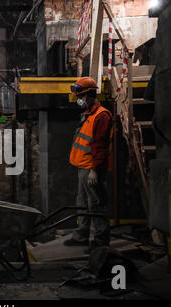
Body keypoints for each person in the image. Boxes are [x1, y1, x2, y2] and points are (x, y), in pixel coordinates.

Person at [63, 77, 113, 253]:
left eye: (81, 96)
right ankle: (81, 235)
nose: (79, 100)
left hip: (91, 169)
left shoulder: (101, 116)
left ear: (90, 95)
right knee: (82, 203)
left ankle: (101, 242)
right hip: (82, 167)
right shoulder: (89, 115)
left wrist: (94, 170)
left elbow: (100, 146)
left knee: (96, 204)